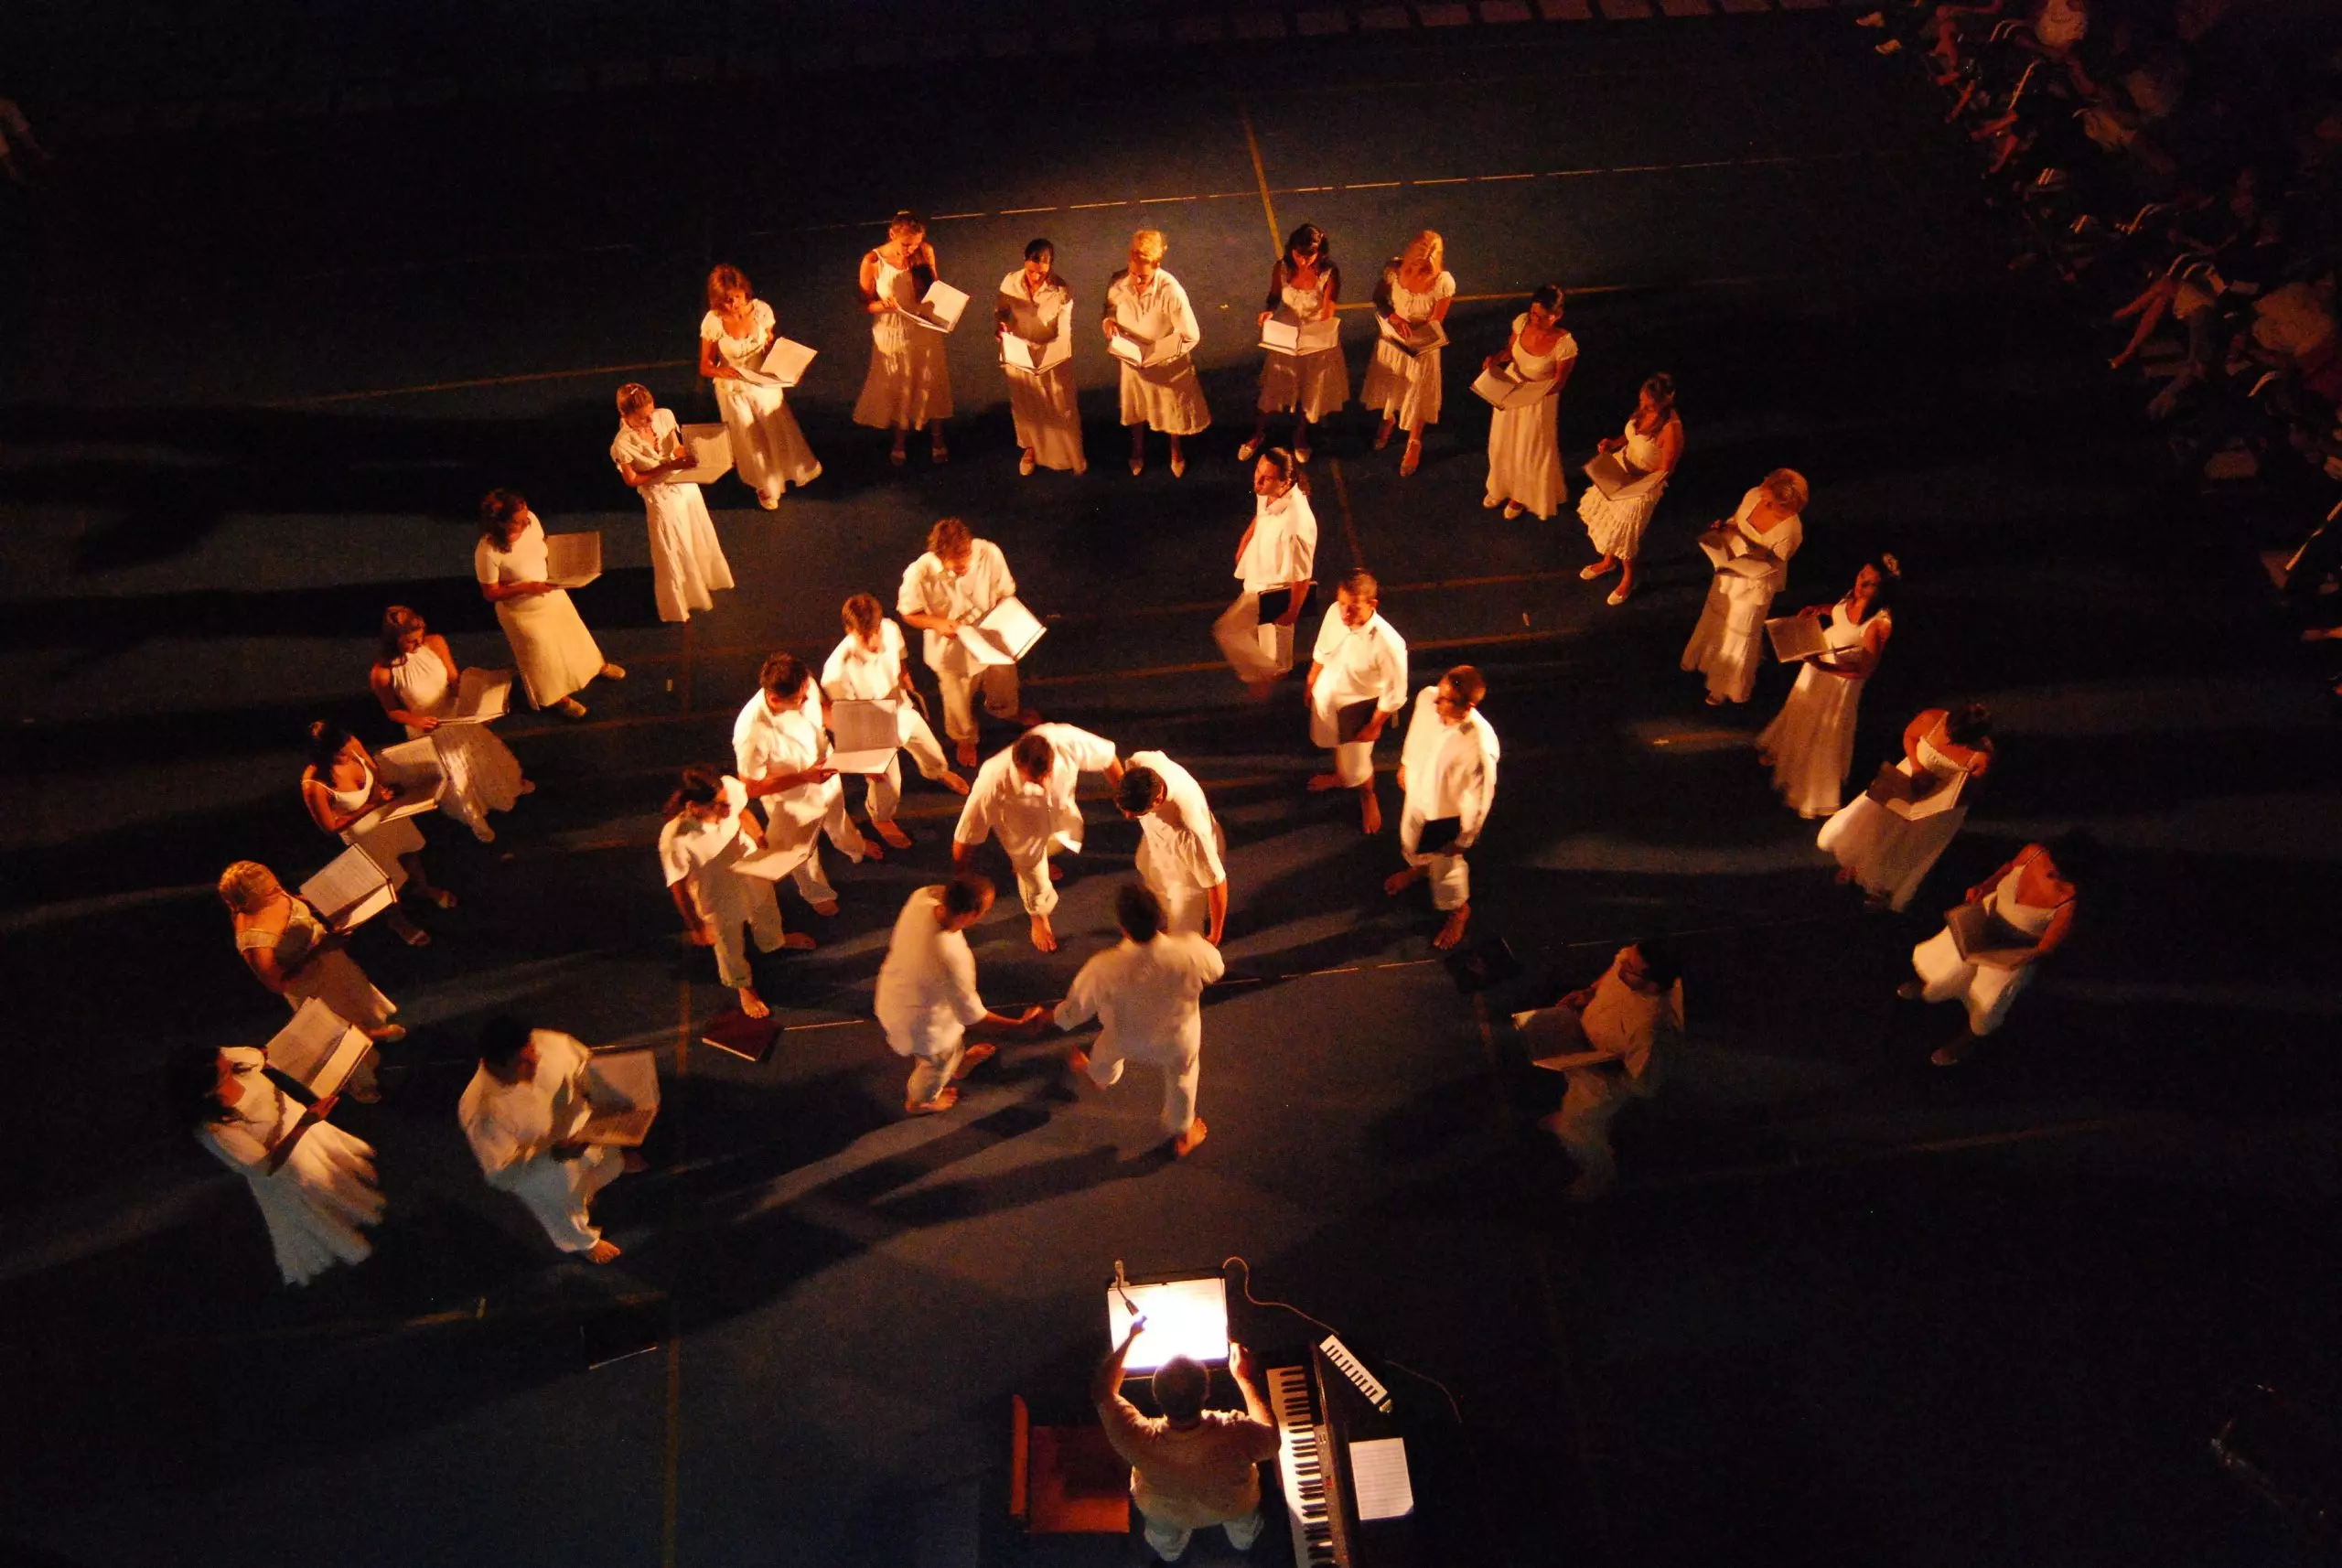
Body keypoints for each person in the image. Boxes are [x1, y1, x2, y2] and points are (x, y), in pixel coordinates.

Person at [171, 1043, 382, 1286]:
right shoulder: (215, 1130)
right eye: (224, 1071)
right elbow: (265, 1167)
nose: (230, 1062)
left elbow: (259, 1055)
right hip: (289, 1167)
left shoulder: (228, 1059)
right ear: (207, 1091)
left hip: (309, 1134)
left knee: (342, 1180)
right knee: (327, 1206)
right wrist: (305, 1124)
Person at [458, 1017, 648, 1262]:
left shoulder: (552, 1045)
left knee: (607, 1162)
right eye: (522, 1062)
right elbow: (502, 1175)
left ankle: (612, 1169)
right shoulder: (480, 1110)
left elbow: (586, 1068)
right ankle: (584, 1242)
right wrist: (553, 1155)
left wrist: (610, 1098)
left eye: (532, 1051)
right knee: (564, 1203)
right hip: (544, 1166)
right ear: (495, 1065)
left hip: (585, 1134)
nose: (535, 1061)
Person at [1058, 886, 1227, 1155]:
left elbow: (1075, 1011)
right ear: (1160, 917)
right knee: (1183, 1079)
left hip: (1126, 1039)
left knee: (1103, 1054)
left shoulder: (1103, 966)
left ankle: (1101, 1077)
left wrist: (1057, 1017)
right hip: (1179, 1041)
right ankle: (1182, 1132)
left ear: (1122, 927)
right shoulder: (1191, 949)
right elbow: (1217, 968)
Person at [1092, 1325, 1280, 1564]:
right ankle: (1244, 1542)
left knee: (1164, 1535)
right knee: (1244, 1524)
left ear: (1155, 1396)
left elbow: (1101, 1392)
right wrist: (1246, 1379)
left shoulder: (1136, 1439)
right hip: (1233, 1504)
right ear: (1206, 1393)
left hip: (1164, 1512)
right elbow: (1271, 1439)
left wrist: (1131, 1338)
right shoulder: (1235, 1432)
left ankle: (1170, 1554)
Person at [1899, 832, 2089, 1065]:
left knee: (1989, 1000)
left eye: (2058, 874)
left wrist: (2016, 957)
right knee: (1951, 962)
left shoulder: (2068, 902)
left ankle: (1967, 1039)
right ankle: (1931, 987)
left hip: (2014, 948)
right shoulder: (2034, 852)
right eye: (2050, 864)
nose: (2049, 874)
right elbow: (2007, 869)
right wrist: (1983, 887)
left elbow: (2047, 945)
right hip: (1987, 918)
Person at [219, 860, 401, 1102]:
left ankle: (374, 1042)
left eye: (276, 885)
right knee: (339, 1036)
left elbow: (295, 906)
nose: (278, 891)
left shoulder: (273, 893)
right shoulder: (254, 938)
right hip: (312, 987)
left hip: (334, 965)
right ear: (251, 900)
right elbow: (276, 984)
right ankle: (361, 1083)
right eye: (270, 891)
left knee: (358, 1009)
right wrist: (319, 950)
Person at [1520, 940, 1685, 1199]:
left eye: (1629, 966)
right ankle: (1567, 1117)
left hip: (1604, 1077)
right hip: (1585, 1053)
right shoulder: (1632, 964)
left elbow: (1644, 1085)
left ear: (1653, 984)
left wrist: (1597, 1067)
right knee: (1572, 1098)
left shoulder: (1652, 1031)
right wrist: (1589, 992)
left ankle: (1598, 1171)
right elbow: (1613, 973)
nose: (1622, 963)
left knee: (1580, 1125)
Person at [875, 874, 1047, 1114]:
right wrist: (1020, 1027)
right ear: (971, 915)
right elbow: (974, 1018)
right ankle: (920, 1102)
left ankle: (960, 1065)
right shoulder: (951, 959)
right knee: (936, 1066)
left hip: (892, 993)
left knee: (953, 1050)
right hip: (923, 1027)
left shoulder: (922, 897)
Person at [731, 653, 877, 920]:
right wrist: (805, 777)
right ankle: (816, 892)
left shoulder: (803, 684)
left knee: (838, 819)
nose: (807, 700)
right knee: (802, 852)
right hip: (792, 800)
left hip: (826, 774)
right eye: (800, 700)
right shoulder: (752, 731)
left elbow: (823, 711)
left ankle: (853, 846)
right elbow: (750, 787)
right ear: (774, 699)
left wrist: (859, 744)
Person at [952, 725, 1123, 953]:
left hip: (1061, 819)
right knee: (1035, 878)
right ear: (1018, 766)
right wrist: (960, 876)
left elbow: (1108, 757)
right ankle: (1038, 916)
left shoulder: (1064, 740)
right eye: (1034, 779)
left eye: (1047, 774)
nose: (1043, 784)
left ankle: (1027, 867)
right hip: (1023, 837)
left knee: (1060, 843)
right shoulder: (992, 781)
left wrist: (1123, 795)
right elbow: (966, 835)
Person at [659, 766, 811, 1019]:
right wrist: (697, 926)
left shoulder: (727, 791)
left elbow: (742, 811)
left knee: (766, 910)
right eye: (717, 806)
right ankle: (742, 984)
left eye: (726, 801)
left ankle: (774, 941)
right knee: (729, 943)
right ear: (694, 807)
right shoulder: (676, 838)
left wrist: (760, 838)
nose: (727, 809)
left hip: (751, 870)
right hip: (718, 892)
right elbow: (678, 886)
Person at [369, 606, 531, 843]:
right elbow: (392, 711)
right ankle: (475, 819)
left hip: (455, 714)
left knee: (481, 755)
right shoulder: (382, 673)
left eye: (420, 637)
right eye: (411, 641)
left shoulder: (435, 643)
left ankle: (508, 789)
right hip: (428, 726)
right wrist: (416, 721)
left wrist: (477, 706)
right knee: (457, 774)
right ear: (394, 641)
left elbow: (454, 679)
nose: (418, 644)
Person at [822, 592, 969, 850]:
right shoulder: (836, 672)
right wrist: (866, 762)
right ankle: (880, 816)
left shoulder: (890, 629)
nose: (873, 641)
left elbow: (900, 658)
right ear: (849, 630)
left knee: (931, 749)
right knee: (888, 784)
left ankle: (936, 772)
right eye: (864, 635)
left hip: (900, 706)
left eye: (875, 631)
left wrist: (907, 681)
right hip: (870, 727)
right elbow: (848, 721)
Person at [1756, 556, 1898, 819]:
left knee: (1823, 728)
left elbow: (1864, 671)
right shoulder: (1852, 597)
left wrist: (1823, 666)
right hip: (1819, 665)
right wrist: (1820, 609)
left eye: (1870, 584)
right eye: (1861, 575)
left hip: (1839, 684)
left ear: (1882, 591)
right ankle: (1787, 753)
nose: (1861, 584)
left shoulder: (1877, 625)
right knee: (1801, 709)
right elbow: (1840, 613)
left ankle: (1812, 790)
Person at [1818, 702, 1995, 911]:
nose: (1949, 741)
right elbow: (1909, 736)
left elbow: (1971, 793)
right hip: (1907, 780)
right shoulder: (1932, 719)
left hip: (1938, 804)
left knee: (1906, 845)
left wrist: (1939, 793)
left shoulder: (1982, 756)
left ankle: (1881, 886)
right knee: (1876, 827)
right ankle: (1857, 866)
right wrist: (1917, 768)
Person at [897, 516, 1042, 768]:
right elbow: (908, 612)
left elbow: (1006, 593)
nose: (963, 570)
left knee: (1004, 686)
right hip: (953, 651)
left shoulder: (989, 553)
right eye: (956, 568)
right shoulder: (918, 573)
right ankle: (965, 739)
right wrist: (936, 623)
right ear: (939, 557)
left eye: (966, 564)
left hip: (993, 639)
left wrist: (1002, 620)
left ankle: (1007, 712)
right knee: (957, 704)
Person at [475, 488, 625, 720]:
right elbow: (490, 593)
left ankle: (595, 667)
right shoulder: (488, 551)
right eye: (518, 521)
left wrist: (568, 562)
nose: (526, 522)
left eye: (526, 516)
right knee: (542, 654)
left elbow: (541, 544)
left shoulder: (531, 520)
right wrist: (527, 587)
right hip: (521, 610)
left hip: (550, 593)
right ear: (501, 524)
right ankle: (557, 698)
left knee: (573, 636)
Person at [298, 720, 446, 945]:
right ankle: (397, 920)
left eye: (345, 747)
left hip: (387, 813)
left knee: (409, 853)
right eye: (338, 754)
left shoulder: (350, 743)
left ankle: (423, 888)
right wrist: (373, 805)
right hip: (362, 833)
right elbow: (330, 827)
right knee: (387, 879)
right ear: (322, 756)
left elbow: (375, 771)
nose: (346, 754)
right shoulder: (314, 785)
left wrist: (396, 785)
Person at [1384, 666, 1499, 951]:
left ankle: (1459, 911)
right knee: (1411, 843)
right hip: (1418, 795)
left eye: (1445, 699)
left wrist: (1463, 840)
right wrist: (1406, 764)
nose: (1436, 700)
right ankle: (1420, 870)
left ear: (1467, 706)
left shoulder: (1479, 746)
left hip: (1445, 815)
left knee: (1447, 869)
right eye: (1439, 690)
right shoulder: (1428, 697)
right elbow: (1416, 733)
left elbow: (1479, 800)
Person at [698, 263, 822, 509]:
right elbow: (705, 366)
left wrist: (775, 351)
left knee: (774, 429)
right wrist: (723, 371)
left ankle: (782, 472)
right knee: (750, 437)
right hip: (734, 390)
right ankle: (765, 486)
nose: (733, 304)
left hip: (763, 382)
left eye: (736, 297)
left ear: (744, 291)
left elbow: (769, 345)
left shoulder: (762, 311)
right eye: (726, 301)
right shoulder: (713, 321)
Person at [1681, 469, 1809, 706]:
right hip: (1730, 567)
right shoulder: (1754, 495)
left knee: (1739, 630)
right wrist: (1724, 528)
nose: (1762, 498)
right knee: (1717, 615)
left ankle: (1723, 686)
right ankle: (1705, 659)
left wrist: (1750, 549)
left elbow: (1774, 563)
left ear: (1784, 505)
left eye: (1769, 499)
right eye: (1764, 490)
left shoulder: (1791, 531)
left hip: (1755, 583)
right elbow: (1736, 519)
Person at [611, 381, 734, 624]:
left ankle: (705, 579)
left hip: (685, 484)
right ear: (625, 416)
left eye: (651, 412)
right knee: (674, 545)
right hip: (660, 495)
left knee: (696, 534)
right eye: (642, 418)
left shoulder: (664, 416)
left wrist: (698, 456)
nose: (650, 420)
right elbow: (632, 479)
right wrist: (667, 467)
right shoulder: (621, 444)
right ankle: (682, 599)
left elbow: (676, 447)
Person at [1305, 570, 1410, 835]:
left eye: (1352, 607)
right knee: (1333, 746)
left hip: (1355, 714)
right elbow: (1322, 648)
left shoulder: (1389, 644)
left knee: (1357, 767)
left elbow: (1395, 692)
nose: (1344, 613)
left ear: (1372, 604)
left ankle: (1367, 796)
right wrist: (1311, 681)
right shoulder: (1335, 613)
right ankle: (1339, 776)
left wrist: (1374, 726)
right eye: (1341, 603)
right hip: (1326, 700)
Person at [1103, 229, 1209, 477]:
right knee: (1138, 406)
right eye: (1132, 273)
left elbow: (1191, 335)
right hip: (1133, 362)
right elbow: (1109, 308)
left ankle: (1176, 450)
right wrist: (1108, 322)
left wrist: (1162, 355)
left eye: (1142, 276)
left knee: (1172, 409)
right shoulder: (1118, 281)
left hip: (1166, 367)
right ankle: (1138, 449)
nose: (1136, 281)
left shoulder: (1172, 292)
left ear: (1157, 265)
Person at [1210, 447, 1317, 695]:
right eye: (1258, 470)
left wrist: (1292, 612)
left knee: (1234, 631)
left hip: (1275, 588)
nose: (1257, 480)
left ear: (1284, 483)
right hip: (1260, 573)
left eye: (1266, 477)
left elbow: (1302, 575)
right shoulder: (1269, 491)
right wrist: (1245, 541)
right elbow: (1262, 515)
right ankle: (1270, 674)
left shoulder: (1296, 523)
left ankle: (1269, 680)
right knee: (1263, 638)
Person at [1575, 373, 1684, 607]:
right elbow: (1632, 436)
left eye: (1649, 405)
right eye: (1642, 401)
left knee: (1624, 535)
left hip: (1642, 486)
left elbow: (1666, 470)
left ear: (1665, 402)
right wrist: (1613, 444)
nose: (1643, 407)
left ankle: (1629, 578)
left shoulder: (1671, 430)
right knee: (1609, 522)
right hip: (1620, 469)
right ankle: (1608, 562)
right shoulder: (1644, 411)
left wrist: (1636, 482)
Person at [1242, 222, 1348, 463]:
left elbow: (1328, 311)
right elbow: (1274, 296)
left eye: (1309, 256)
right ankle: (1257, 434)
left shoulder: (1330, 272)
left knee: (1309, 389)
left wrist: (1312, 333)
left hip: (1315, 335)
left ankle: (1300, 435)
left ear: (1320, 252)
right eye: (1299, 255)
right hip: (1288, 331)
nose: (1303, 261)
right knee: (1274, 386)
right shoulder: (1282, 267)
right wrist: (1269, 311)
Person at [854, 211, 953, 466]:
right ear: (892, 235)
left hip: (923, 326)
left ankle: (937, 437)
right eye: (906, 244)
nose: (911, 250)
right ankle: (900, 439)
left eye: (916, 244)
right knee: (900, 383)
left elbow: (935, 286)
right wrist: (884, 305)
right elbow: (864, 304)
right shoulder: (873, 260)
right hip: (893, 330)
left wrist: (946, 307)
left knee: (930, 379)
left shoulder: (925, 251)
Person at [1362, 229, 1456, 477]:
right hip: (1392, 340)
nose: (1417, 269)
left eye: (1424, 266)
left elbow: (1436, 322)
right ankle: (1389, 418)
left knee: (1417, 394)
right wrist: (1393, 317)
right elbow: (1379, 298)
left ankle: (1414, 442)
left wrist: (1415, 335)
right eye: (1414, 263)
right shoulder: (1393, 268)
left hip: (1421, 348)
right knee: (1392, 384)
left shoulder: (1443, 283)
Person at [1481, 283, 1577, 520]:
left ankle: (1520, 495)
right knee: (1502, 441)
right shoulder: (1521, 322)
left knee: (1529, 448)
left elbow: (1559, 383)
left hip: (1538, 399)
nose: (1535, 320)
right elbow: (1509, 350)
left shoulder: (1565, 346)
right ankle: (1501, 486)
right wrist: (1496, 359)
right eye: (1534, 313)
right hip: (1511, 388)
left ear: (1557, 316)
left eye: (1543, 317)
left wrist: (1530, 394)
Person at [1114, 754, 1228, 945]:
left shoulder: (1190, 830)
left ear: (1158, 800)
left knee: (1184, 928)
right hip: (1158, 842)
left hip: (1186, 866)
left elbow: (1217, 882)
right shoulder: (1141, 762)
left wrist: (1215, 935)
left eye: (1136, 812)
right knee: (1155, 888)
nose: (1127, 816)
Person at [995, 238, 1087, 476]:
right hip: (1020, 352)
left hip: (1051, 355)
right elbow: (1002, 311)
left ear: (1050, 266)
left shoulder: (1061, 291)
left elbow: (1064, 331)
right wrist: (1001, 326)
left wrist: (1050, 354)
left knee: (1059, 403)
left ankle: (1067, 451)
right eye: (1031, 271)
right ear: (1025, 261)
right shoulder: (1010, 281)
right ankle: (1030, 448)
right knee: (1025, 402)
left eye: (1042, 273)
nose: (1036, 277)